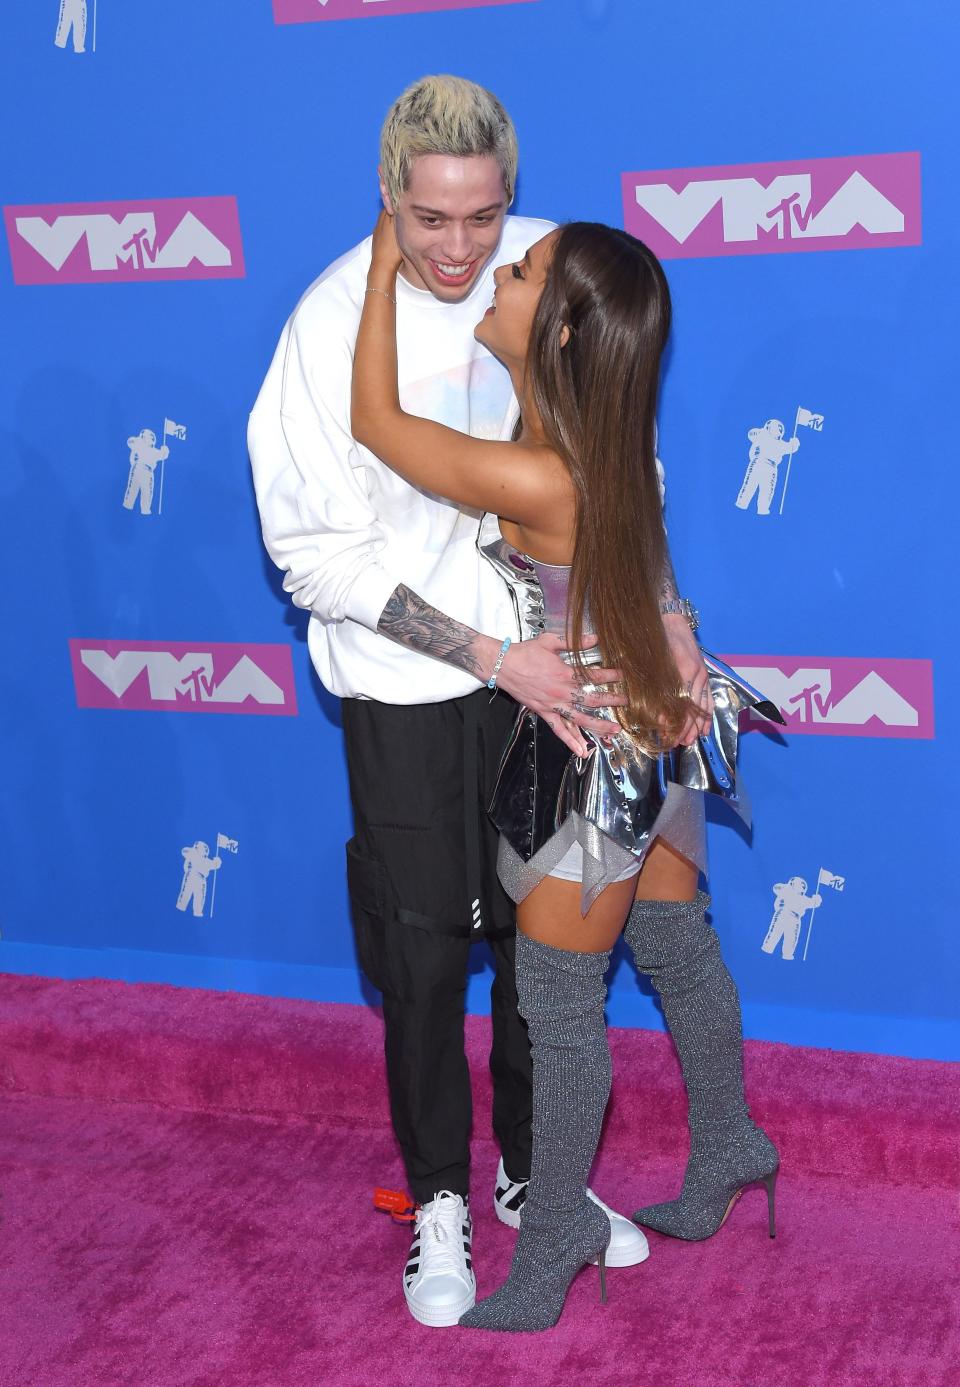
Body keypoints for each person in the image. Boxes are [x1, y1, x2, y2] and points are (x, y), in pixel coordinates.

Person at [249, 75, 704, 1328]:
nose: (459, 250)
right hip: (410, 691)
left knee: (538, 952)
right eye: (430, 219)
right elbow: (316, 557)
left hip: (552, 691)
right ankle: (437, 1196)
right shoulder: (331, 316)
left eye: (483, 219)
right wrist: (493, 655)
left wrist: (661, 621)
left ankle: (528, 1178)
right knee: (420, 949)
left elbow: (619, 464)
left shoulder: (541, 276)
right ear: (390, 195)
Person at [352, 210, 783, 1332]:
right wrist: (681, 626)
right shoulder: (607, 446)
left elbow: (377, 425)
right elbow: (653, 573)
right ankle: (731, 1141)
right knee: (679, 956)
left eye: (526, 270)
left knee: (557, 1003)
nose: (501, 268)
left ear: (560, 331)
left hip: (595, 758)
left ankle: (550, 1248)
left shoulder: (541, 473)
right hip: (661, 726)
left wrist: (384, 268)